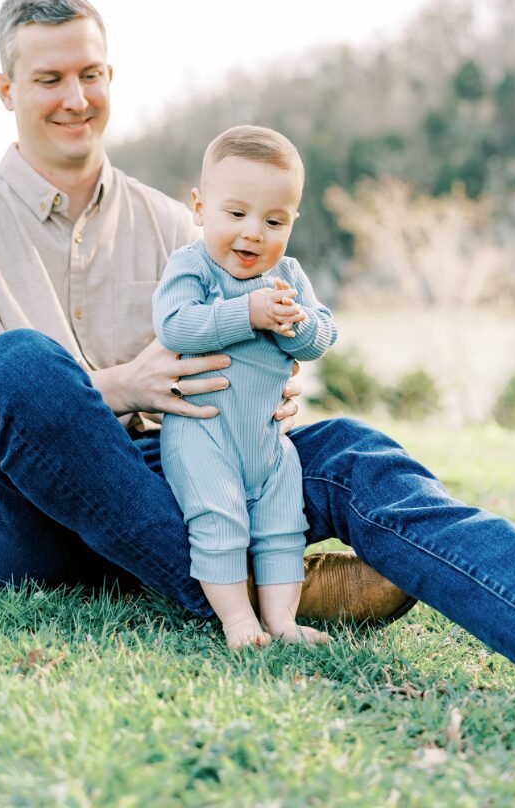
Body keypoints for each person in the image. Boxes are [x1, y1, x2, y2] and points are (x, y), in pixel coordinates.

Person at [0, 0, 515, 709]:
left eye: (89, 74)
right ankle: (254, 586)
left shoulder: (181, 222)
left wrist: (270, 377)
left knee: (347, 453)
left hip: (173, 476)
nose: (75, 98)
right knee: (19, 364)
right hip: (20, 520)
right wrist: (123, 385)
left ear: (110, 77)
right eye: (49, 80)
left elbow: (245, 346)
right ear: (5, 88)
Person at [154, 125, 336, 648]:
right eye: (236, 214)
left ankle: (282, 621)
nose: (254, 233)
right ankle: (238, 621)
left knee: (283, 525)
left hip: (267, 441)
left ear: (292, 222)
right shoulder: (194, 266)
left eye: (274, 220)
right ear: (199, 207)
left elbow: (324, 334)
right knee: (220, 518)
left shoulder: (290, 277)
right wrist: (247, 313)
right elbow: (176, 325)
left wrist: (297, 325)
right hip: (202, 432)